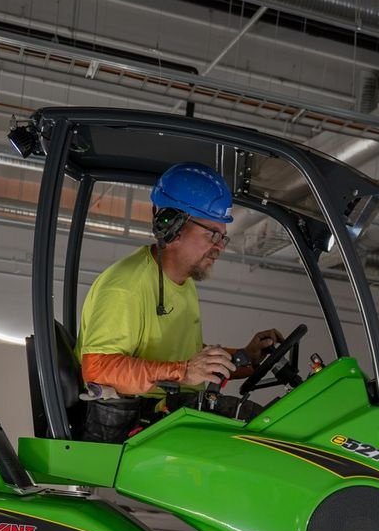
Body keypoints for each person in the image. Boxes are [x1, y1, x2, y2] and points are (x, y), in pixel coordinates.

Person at [77, 162, 283, 442]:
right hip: (131, 424)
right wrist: (184, 372)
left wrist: (246, 357)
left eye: (222, 236)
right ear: (172, 225)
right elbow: (97, 368)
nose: (220, 246)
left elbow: (179, 352)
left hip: (165, 411)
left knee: (275, 424)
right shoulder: (126, 287)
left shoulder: (182, 282)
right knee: (260, 435)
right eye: (212, 234)